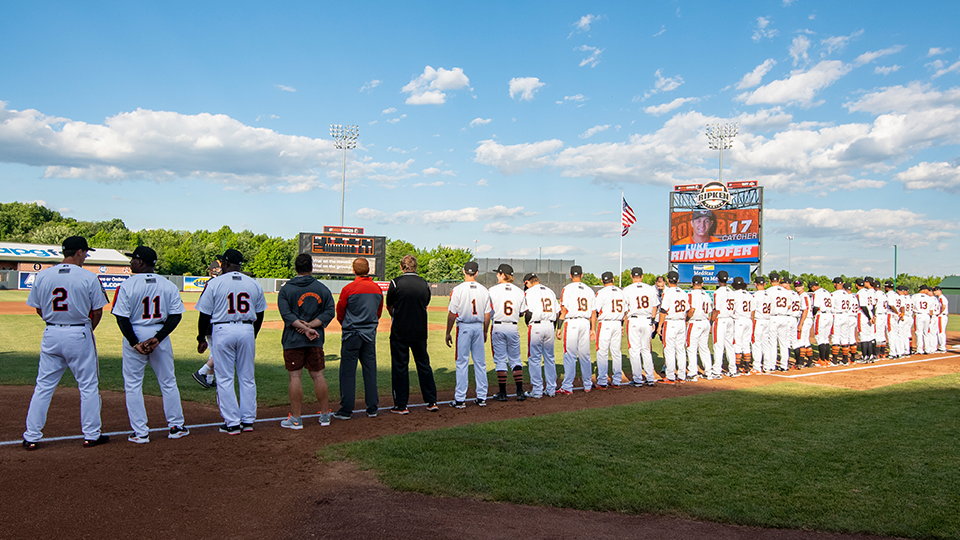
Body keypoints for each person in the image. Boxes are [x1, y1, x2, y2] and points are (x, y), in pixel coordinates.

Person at [22, 236, 110, 450]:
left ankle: (31, 436)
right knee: (88, 386)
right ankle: (91, 434)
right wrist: (88, 330)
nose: (86, 256)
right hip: (79, 332)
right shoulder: (89, 277)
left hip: (51, 332)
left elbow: (38, 308)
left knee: (43, 386)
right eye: (86, 252)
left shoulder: (42, 276)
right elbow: (97, 311)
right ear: (79, 251)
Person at [111, 246, 189, 443]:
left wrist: (134, 342)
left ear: (140, 262)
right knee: (168, 381)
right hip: (159, 333)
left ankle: (140, 432)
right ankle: (176, 426)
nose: (130, 263)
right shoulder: (168, 284)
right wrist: (159, 337)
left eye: (132, 260)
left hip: (136, 330)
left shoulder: (127, 286)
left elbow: (121, 318)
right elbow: (176, 316)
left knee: (133, 385)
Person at [195, 248, 267, 435]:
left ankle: (232, 423)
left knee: (225, 377)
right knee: (247, 376)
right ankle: (248, 420)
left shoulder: (215, 283)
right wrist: (254, 333)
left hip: (222, 328)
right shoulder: (253, 284)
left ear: (225, 264)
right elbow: (260, 314)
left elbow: (204, 314)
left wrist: (201, 337)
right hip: (246, 329)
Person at [277, 254, 335, 429]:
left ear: (295, 268)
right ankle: (325, 415)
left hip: (293, 339)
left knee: (295, 376)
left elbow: (287, 315)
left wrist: (304, 327)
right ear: (311, 268)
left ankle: (296, 418)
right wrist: (312, 326)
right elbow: (329, 311)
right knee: (318, 375)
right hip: (315, 339)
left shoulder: (286, 289)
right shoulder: (322, 288)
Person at [386, 255, 438, 414]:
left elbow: (389, 306)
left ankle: (401, 405)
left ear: (402, 267)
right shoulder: (424, 284)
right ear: (415, 267)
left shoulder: (395, 282)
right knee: (423, 365)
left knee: (400, 367)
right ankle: (431, 401)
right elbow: (426, 303)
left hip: (400, 331)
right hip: (420, 331)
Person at [334, 258, 384, 419]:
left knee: (348, 372)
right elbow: (378, 312)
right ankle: (372, 408)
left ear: (353, 270)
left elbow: (340, 312)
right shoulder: (377, 289)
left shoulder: (348, 289)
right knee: (370, 371)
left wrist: (347, 325)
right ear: (368, 269)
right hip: (369, 334)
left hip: (352, 334)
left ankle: (346, 409)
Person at [445, 261, 491, 408]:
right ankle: (482, 397)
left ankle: (460, 399)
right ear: (477, 273)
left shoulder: (457, 289)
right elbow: (487, 314)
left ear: (464, 271)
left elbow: (452, 313)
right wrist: (485, 330)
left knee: (462, 363)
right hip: (478, 326)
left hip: (464, 327)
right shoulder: (484, 290)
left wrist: (447, 332)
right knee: (480, 363)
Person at [487, 264, 527, 401]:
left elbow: (487, 310)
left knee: (500, 360)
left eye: (498, 273)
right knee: (516, 359)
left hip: (498, 326)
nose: (497, 275)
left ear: (503, 275)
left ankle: (503, 393)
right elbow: (522, 313)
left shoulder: (492, 290)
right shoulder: (519, 291)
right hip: (513, 327)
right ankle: (520, 392)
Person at [557, 265, 597, 394]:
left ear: (570, 275)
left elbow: (564, 309)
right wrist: (593, 329)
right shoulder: (589, 290)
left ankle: (567, 386)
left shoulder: (567, 289)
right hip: (585, 322)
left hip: (572, 322)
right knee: (585, 355)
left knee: (570, 355)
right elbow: (594, 312)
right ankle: (587, 384)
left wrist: (559, 327)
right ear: (582, 275)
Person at [520, 272, 559, 398]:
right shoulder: (550, 291)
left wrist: (527, 323)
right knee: (549, 358)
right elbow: (557, 312)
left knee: (534, 359)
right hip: (550, 325)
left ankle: (537, 390)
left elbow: (528, 313)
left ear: (527, 282)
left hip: (536, 326)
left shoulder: (529, 292)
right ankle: (551, 389)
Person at [622, 267, 659, 386]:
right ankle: (650, 378)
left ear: (632, 276)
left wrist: (622, 323)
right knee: (646, 350)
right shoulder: (650, 289)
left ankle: (637, 379)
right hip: (647, 319)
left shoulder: (627, 289)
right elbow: (655, 307)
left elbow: (624, 309)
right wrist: (653, 321)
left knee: (634, 350)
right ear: (642, 276)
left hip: (634, 320)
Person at [192, 260, 222, 389]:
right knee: (219, 352)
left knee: (214, 351)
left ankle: (209, 380)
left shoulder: (212, 282)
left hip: (211, 321)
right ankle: (201, 372)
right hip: (213, 321)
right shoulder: (214, 283)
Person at [594, 271, 626, 388]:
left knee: (602, 352)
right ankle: (617, 380)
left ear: (602, 281)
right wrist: (622, 324)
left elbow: (596, 310)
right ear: (613, 279)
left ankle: (602, 380)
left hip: (605, 323)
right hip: (617, 323)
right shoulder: (620, 292)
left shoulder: (601, 293)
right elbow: (625, 311)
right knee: (616, 352)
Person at [657, 271, 688, 384]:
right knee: (680, 349)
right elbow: (687, 309)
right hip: (681, 322)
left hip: (671, 322)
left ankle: (670, 376)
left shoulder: (668, 292)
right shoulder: (684, 292)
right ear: (678, 280)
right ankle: (682, 375)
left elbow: (663, 310)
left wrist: (660, 325)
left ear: (668, 281)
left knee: (669, 349)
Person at [685, 275, 712, 382]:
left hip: (695, 322)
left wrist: (687, 319)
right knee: (704, 347)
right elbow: (709, 311)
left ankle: (692, 373)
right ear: (702, 283)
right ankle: (708, 372)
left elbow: (692, 310)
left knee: (691, 347)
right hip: (705, 321)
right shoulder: (706, 294)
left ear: (692, 284)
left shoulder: (691, 294)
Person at [711, 271, 736, 378]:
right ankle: (732, 369)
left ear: (718, 279)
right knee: (730, 345)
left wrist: (711, 321)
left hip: (721, 319)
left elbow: (716, 310)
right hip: (730, 319)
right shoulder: (731, 291)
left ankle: (717, 370)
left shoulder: (718, 292)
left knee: (718, 345)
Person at [768, 272, 793, 371]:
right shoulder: (786, 291)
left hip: (773, 317)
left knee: (772, 342)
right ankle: (784, 365)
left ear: (770, 281)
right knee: (784, 342)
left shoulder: (769, 291)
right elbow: (789, 305)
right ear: (779, 281)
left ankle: (772, 365)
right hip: (784, 317)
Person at [731, 276, 754, 375]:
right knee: (746, 343)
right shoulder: (749, 295)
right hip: (748, 320)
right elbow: (753, 311)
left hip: (739, 320)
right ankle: (747, 367)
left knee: (737, 344)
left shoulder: (733, 294)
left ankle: (737, 367)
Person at [752, 276, 774, 373]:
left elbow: (752, 311)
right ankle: (767, 365)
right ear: (764, 284)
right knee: (766, 343)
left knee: (756, 343)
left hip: (759, 319)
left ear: (755, 284)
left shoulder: (755, 295)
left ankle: (757, 366)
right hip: (767, 319)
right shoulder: (769, 295)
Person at [810, 280, 834, 366]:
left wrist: (813, 315)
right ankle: (827, 360)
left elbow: (816, 307)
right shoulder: (827, 292)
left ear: (813, 287)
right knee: (826, 338)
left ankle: (822, 359)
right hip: (830, 315)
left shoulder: (817, 293)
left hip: (822, 314)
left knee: (820, 338)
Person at [792, 280, 813, 368]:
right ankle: (810, 361)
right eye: (796, 286)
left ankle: (800, 362)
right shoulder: (800, 295)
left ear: (803, 286)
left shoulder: (804, 296)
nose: (797, 288)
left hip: (805, 319)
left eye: (799, 286)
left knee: (800, 340)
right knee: (805, 340)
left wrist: (800, 323)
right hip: (806, 319)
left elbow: (805, 310)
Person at [932, 286, 949, 353]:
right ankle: (942, 346)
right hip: (942, 316)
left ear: (939, 290)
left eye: (935, 290)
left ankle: (942, 347)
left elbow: (943, 305)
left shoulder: (941, 297)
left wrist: (940, 313)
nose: (934, 292)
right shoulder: (939, 298)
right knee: (940, 331)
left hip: (942, 316)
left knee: (940, 332)